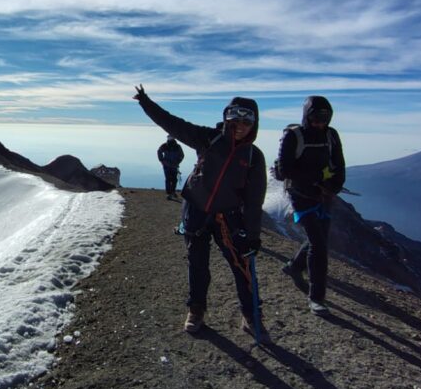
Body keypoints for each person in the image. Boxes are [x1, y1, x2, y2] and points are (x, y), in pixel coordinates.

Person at [133, 85, 270, 341]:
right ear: (226, 119)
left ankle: (251, 315)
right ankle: (196, 310)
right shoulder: (209, 138)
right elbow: (173, 124)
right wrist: (145, 102)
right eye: (234, 119)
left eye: (246, 121)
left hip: (227, 217)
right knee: (197, 265)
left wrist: (252, 235)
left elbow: (254, 199)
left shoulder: (253, 156)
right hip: (196, 211)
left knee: (241, 267)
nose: (240, 125)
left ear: (254, 124)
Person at [278, 96, 346, 315]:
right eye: (315, 118)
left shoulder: (331, 135)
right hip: (300, 195)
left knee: (319, 239)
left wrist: (334, 187)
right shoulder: (293, 136)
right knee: (319, 245)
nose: (319, 123)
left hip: (323, 195)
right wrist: (316, 179)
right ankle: (317, 298)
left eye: (324, 119)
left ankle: (294, 266)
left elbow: (339, 163)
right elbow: (284, 170)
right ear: (307, 116)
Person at [157, 135, 185, 201]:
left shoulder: (178, 146)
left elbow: (182, 155)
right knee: (168, 179)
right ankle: (168, 193)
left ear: (174, 138)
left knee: (174, 180)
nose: (170, 138)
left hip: (174, 166)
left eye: (171, 137)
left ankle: (173, 192)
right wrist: (161, 160)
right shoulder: (164, 145)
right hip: (166, 166)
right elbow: (159, 151)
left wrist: (178, 162)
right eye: (169, 137)